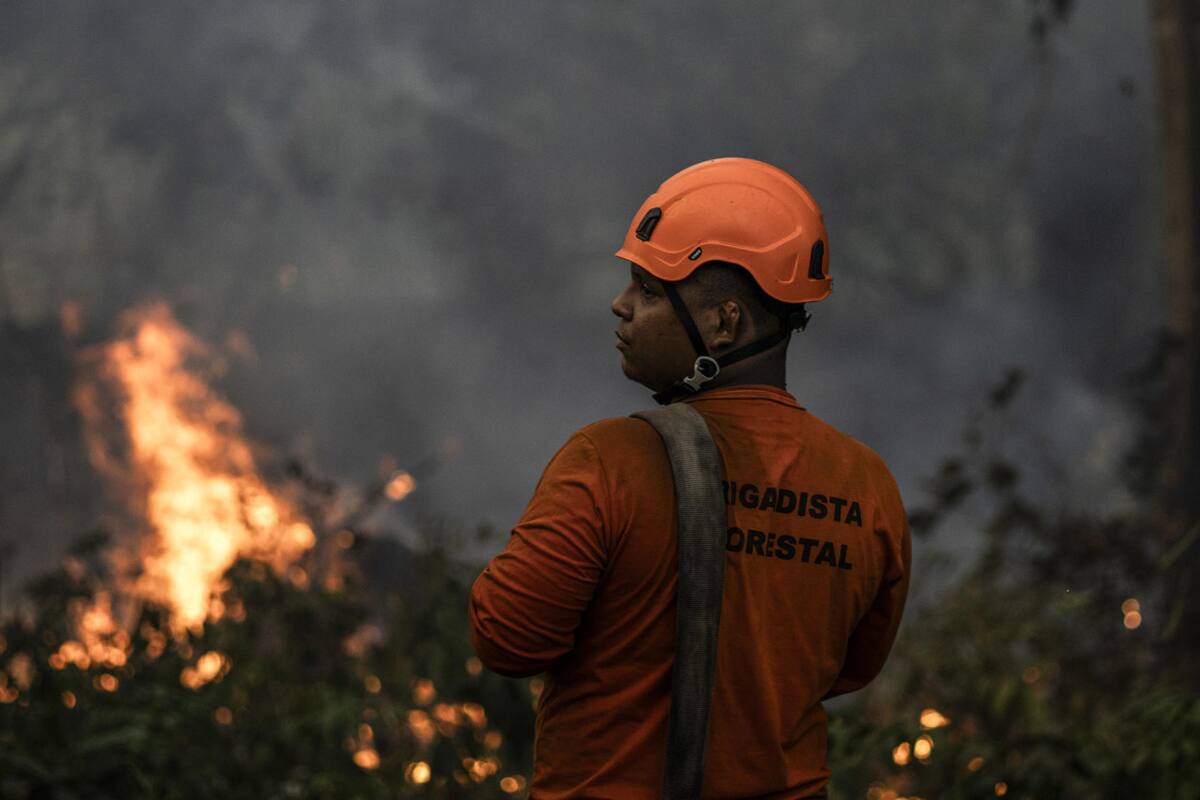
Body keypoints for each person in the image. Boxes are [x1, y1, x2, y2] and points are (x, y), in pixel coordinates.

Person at [468, 157, 911, 799]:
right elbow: (849, 670)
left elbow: (507, 640)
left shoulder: (611, 460)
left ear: (724, 322)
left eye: (650, 291)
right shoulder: (869, 487)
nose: (620, 307)